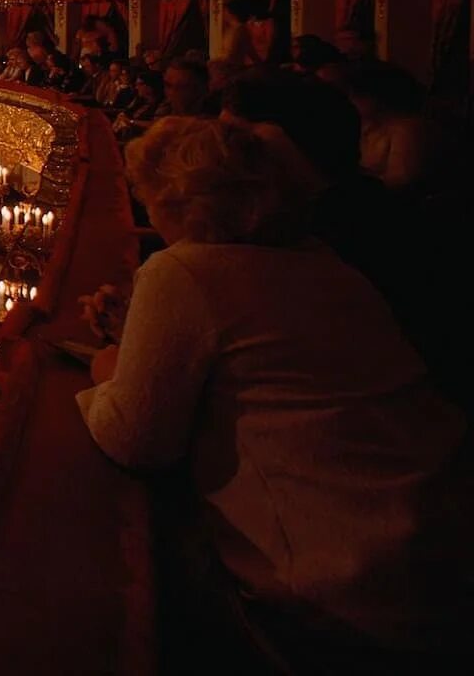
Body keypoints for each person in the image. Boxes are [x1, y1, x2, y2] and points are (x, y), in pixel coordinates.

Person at [81, 115, 466, 662]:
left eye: (145, 197)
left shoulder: (184, 269)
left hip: (336, 596)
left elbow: (135, 439)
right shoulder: (326, 264)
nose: (144, 210)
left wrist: (108, 369)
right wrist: (142, 335)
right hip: (436, 553)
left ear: (175, 200)